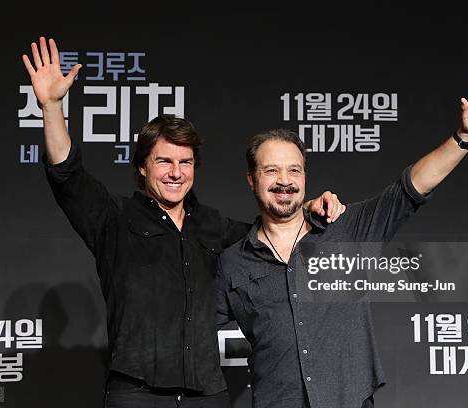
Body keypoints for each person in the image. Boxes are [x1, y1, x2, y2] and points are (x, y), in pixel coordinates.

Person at [21, 36, 345, 408]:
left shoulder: (214, 226)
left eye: (185, 163)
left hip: (207, 395)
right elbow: (67, 174)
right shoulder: (114, 218)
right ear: (142, 167)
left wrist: (310, 207)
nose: (176, 173)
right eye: (164, 162)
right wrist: (51, 107)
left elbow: (276, 233)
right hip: (136, 394)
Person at [215, 73, 468, 408]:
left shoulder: (347, 229)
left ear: (305, 177)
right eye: (271, 171)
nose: (284, 181)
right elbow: (190, 329)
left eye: (294, 170)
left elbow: (409, 190)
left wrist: (464, 137)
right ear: (252, 180)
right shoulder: (232, 264)